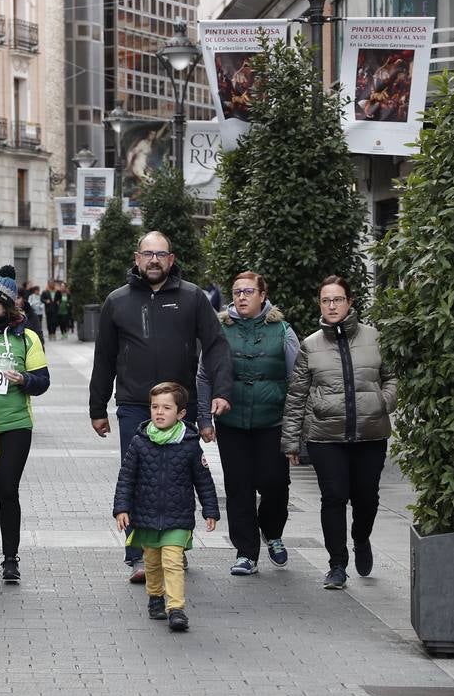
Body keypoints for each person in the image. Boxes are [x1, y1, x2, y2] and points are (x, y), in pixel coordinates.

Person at [89, 231, 232, 584]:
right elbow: (104, 357)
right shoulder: (117, 301)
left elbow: (215, 344)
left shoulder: (193, 297)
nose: (154, 260)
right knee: (138, 477)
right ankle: (139, 555)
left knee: (178, 480)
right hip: (135, 406)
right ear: (137, 258)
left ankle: (174, 548)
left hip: (181, 407)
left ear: (172, 259)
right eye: (147, 254)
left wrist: (222, 389)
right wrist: (97, 407)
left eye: (161, 254)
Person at [282, 275, 396, 590]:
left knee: (367, 499)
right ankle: (337, 565)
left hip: (370, 434)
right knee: (333, 498)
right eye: (326, 300)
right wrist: (292, 440)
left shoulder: (375, 338)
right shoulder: (310, 345)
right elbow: (297, 395)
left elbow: (393, 376)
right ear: (320, 305)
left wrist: (383, 401)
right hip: (325, 436)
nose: (331, 306)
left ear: (349, 302)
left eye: (337, 299)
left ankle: (361, 538)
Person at [198, 272, 300, 576]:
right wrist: (205, 418)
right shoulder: (219, 330)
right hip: (233, 423)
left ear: (263, 295)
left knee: (275, 484)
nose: (241, 297)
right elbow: (204, 376)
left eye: (248, 291)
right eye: (237, 292)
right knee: (238, 487)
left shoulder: (283, 331)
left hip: (273, 422)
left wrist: (297, 430)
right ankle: (246, 552)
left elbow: (297, 381)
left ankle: (272, 531)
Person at [114, 382, 220, 631]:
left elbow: (203, 479)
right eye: (155, 407)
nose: (159, 412)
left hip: (178, 516)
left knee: (172, 561)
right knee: (152, 563)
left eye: (166, 408)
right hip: (146, 516)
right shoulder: (140, 441)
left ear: (181, 413)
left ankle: (176, 609)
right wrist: (122, 508)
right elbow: (126, 477)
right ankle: (155, 597)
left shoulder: (190, 443)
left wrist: (210, 509)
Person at [0, 273, 50, 581]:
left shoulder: (26, 337)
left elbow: (43, 381)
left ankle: (11, 558)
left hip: (15, 423)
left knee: (7, 488)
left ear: (5, 305)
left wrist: (24, 380)